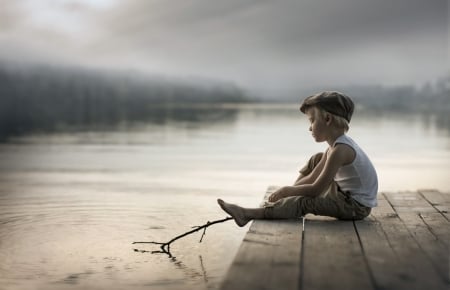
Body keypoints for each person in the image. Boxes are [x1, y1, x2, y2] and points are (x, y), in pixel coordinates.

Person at [218, 91, 378, 227]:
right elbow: (312, 178)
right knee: (317, 159)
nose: (310, 127)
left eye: (312, 120)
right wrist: (289, 192)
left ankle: (247, 214)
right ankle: (285, 205)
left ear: (328, 119)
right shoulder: (334, 148)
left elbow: (316, 189)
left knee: (304, 201)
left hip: (356, 207)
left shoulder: (341, 150)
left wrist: (288, 191)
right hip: (345, 194)